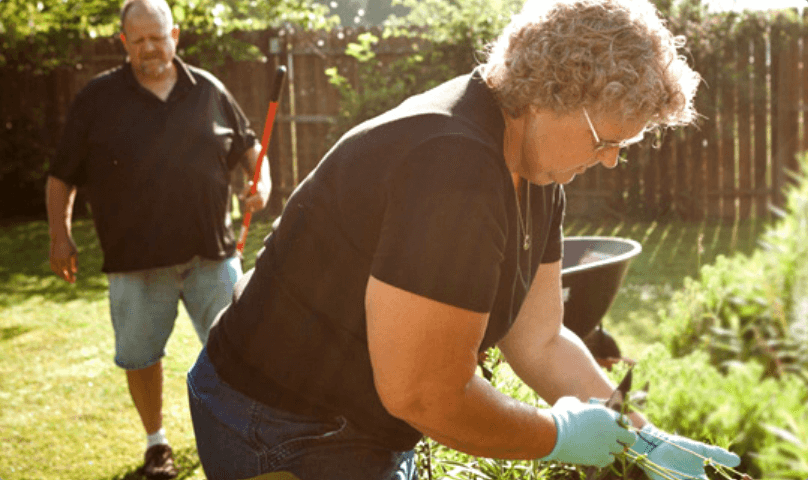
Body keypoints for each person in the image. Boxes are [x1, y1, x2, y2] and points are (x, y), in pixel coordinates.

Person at [187, 0, 739, 479]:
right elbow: (424, 393)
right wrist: (559, 436)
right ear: (548, 93)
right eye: (605, 139)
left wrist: (637, 435)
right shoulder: (453, 167)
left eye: (627, 144)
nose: (613, 159)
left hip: (360, 417)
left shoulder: (536, 171)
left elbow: (540, 340)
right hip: (282, 423)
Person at [45, 0, 270, 477]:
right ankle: (156, 445)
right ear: (124, 42)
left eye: (158, 36)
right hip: (136, 262)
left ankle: (242, 438)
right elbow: (60, 177)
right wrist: (59, 237)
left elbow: (254, 149)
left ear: (176, 35)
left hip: (213, 256)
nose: (150, 47)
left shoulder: (208, 89)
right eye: (139, 39)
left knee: (239, 352)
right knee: (141, 358)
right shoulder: (96, 99)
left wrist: (261, 186)